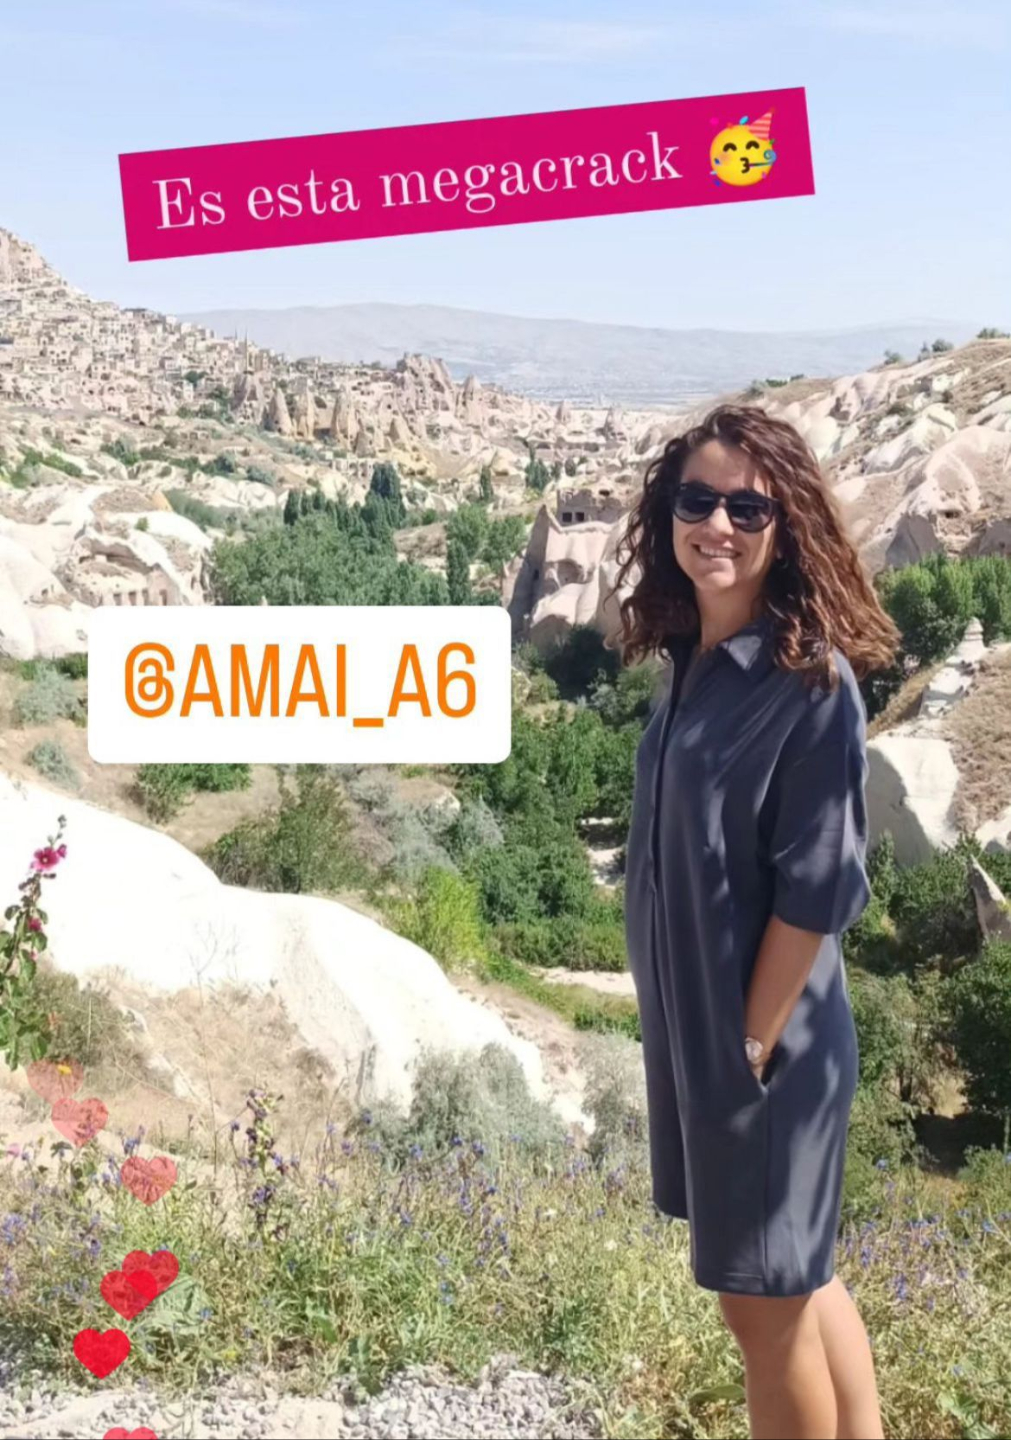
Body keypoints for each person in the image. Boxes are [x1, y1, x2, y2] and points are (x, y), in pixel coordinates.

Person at [613, 404, 901, 1440]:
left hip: (766, 1049)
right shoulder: (694, 659)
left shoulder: (806, 684)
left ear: (787, 527)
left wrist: (744, 1050)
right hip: (718, 1040)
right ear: (668, 512)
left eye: (748, 508)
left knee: (759, 1310)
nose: (718, 526)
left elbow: (815, 891)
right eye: (698, 500)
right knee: (797, 1279)